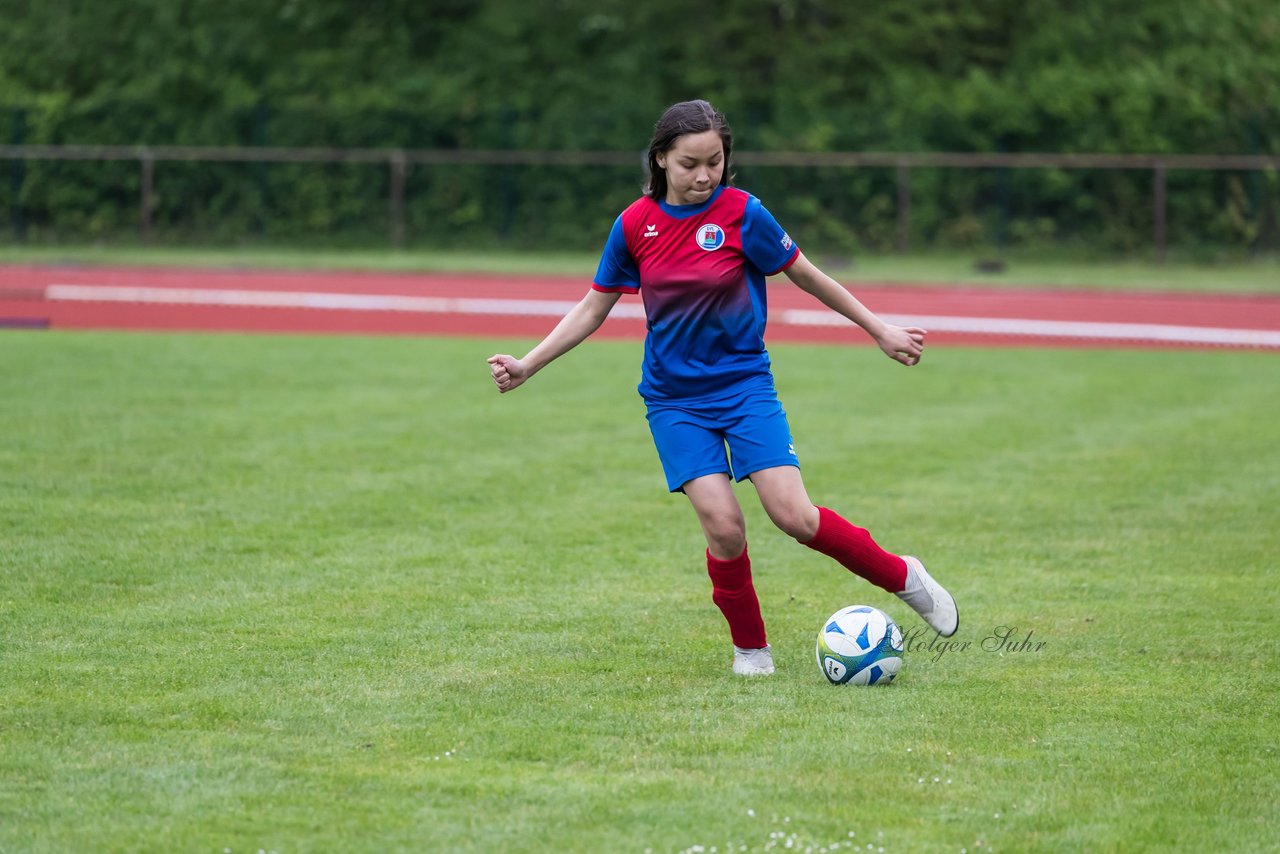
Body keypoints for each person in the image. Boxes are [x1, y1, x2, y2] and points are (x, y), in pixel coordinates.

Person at [487, 99, 958, 676]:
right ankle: (751, 650)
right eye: (689, 164)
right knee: (724, 526)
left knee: (793, 516)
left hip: (744, 388)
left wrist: (879, 328)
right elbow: (592, 308)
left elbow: (807, 275)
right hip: (673, 400)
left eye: (714, 161)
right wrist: (529, 363)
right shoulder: (635, 224)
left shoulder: (743, 213)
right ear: (660, 159)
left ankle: (903, 576)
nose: (704, 175)